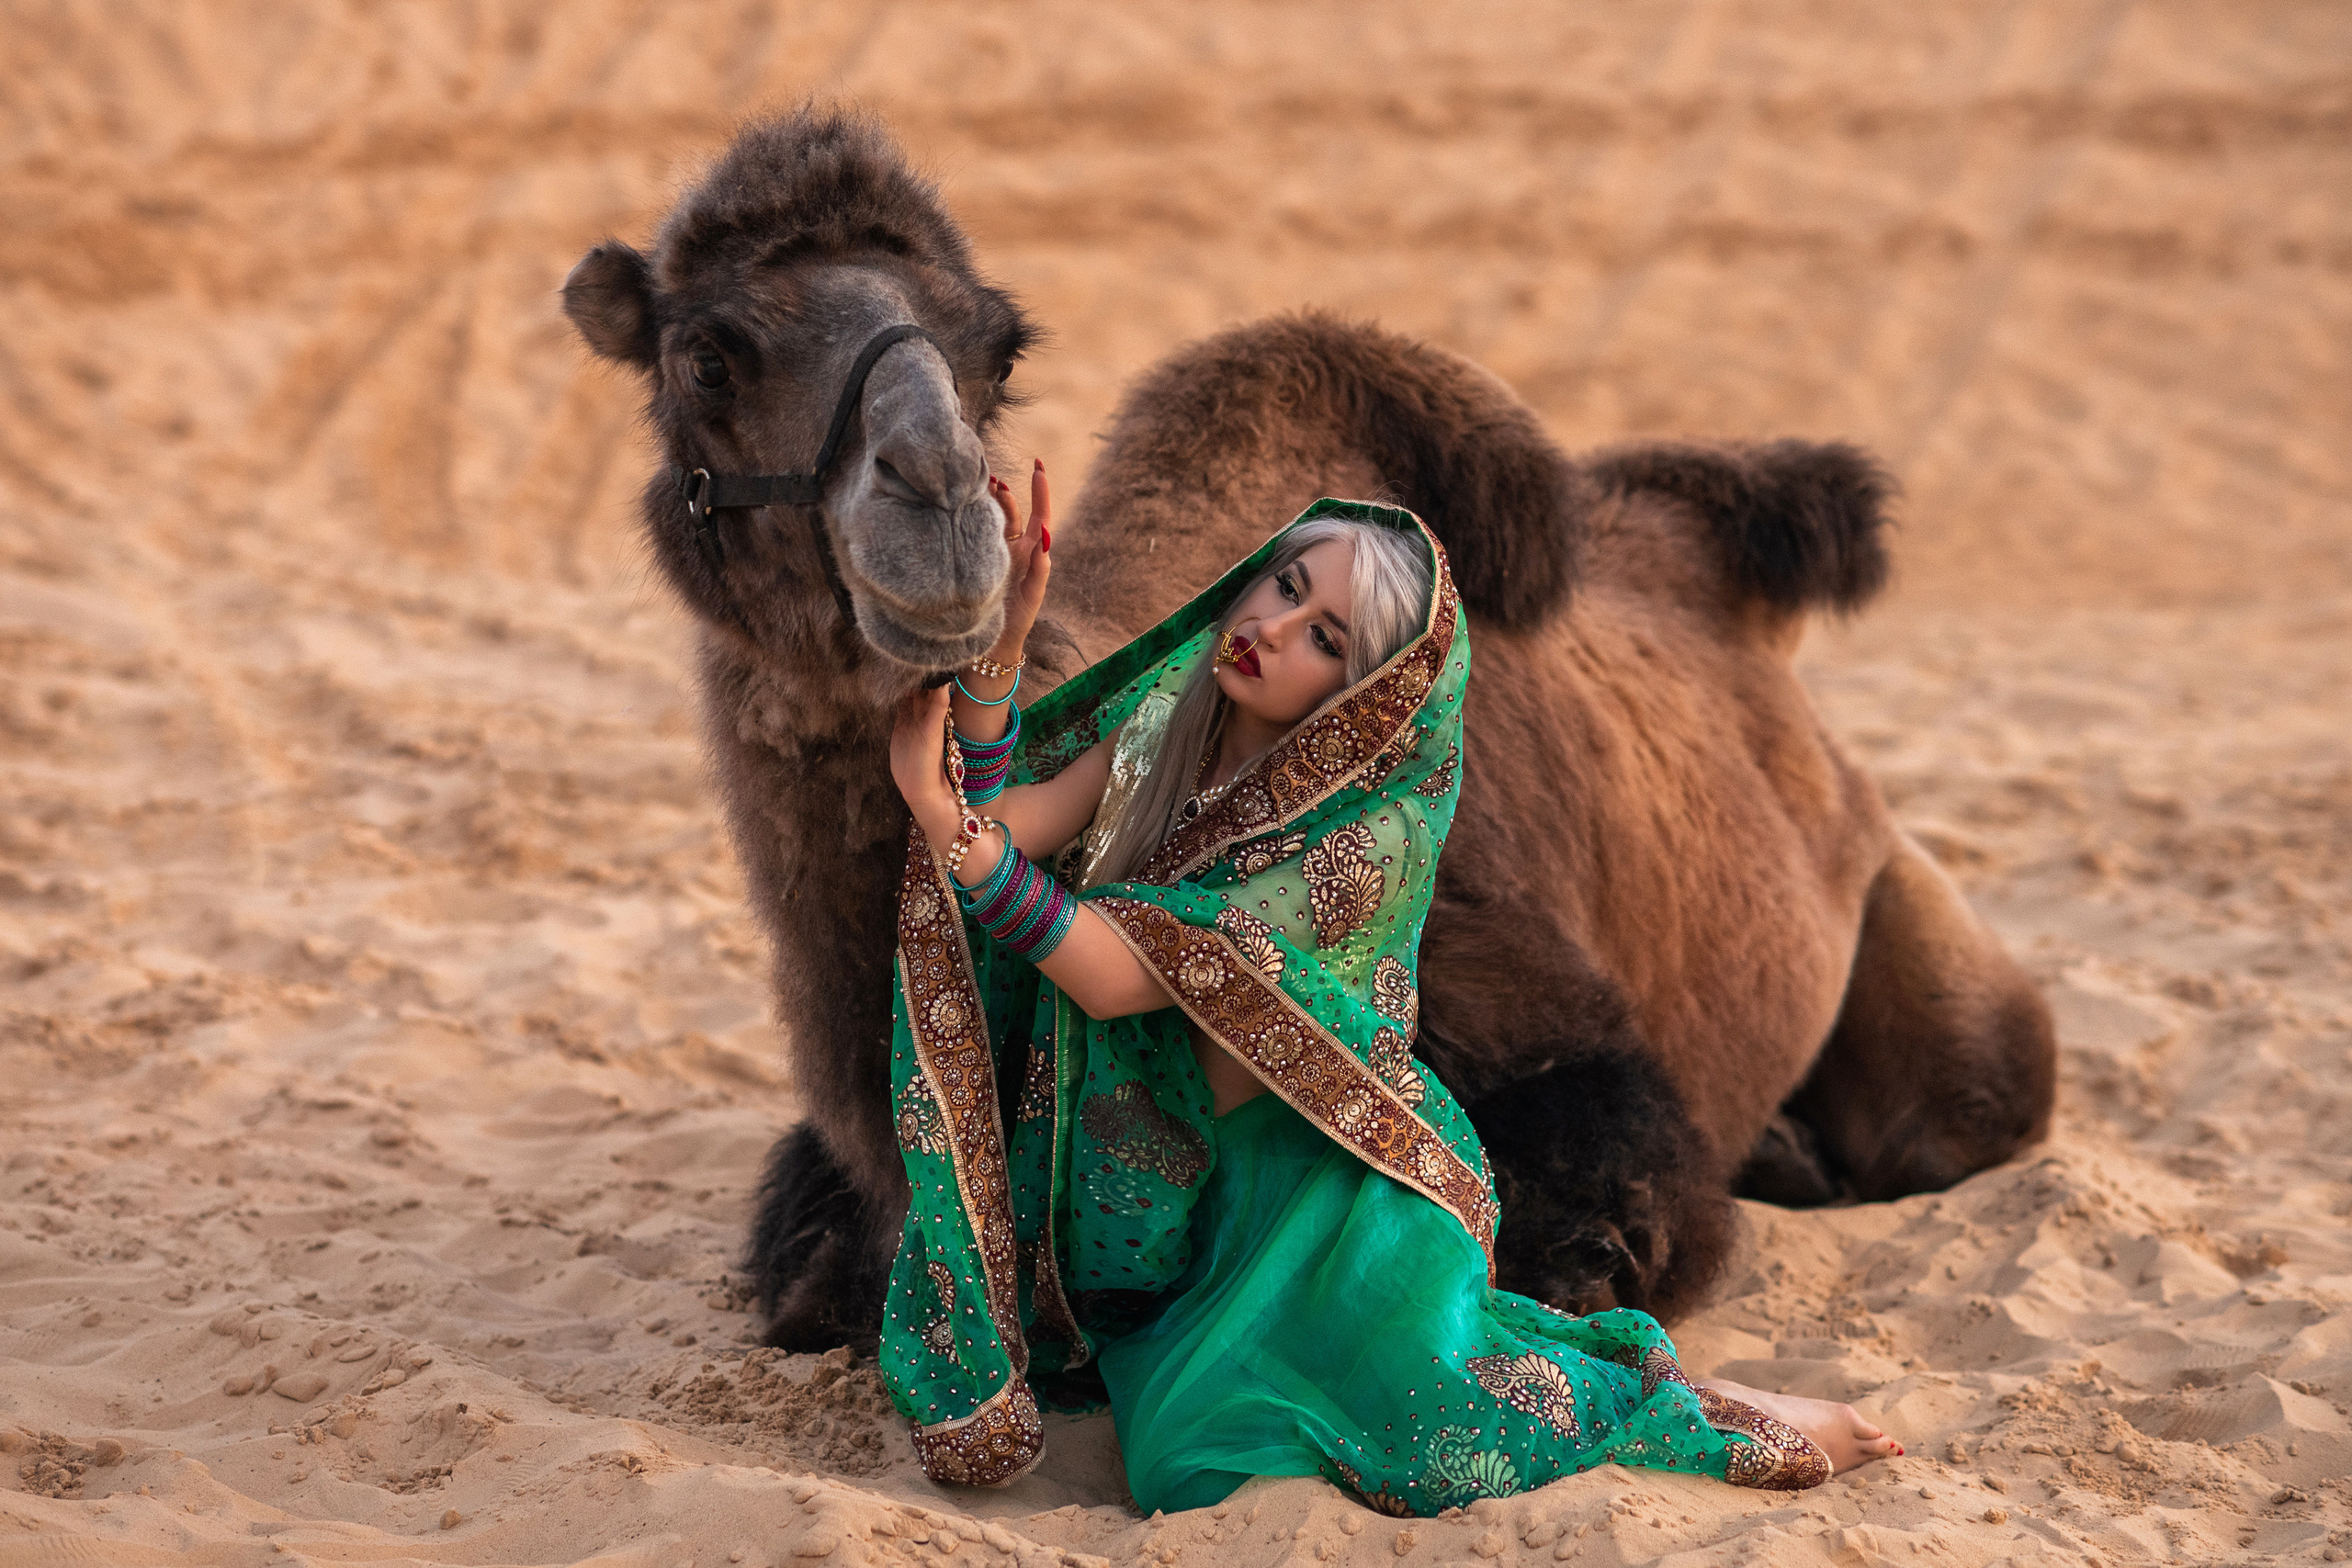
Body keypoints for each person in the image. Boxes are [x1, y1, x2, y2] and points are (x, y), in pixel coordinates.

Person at [878, 463, 1897, 1514]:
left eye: (1325, 637)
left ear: (1359, 695)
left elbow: (1107, 975)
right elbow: (1015, 831)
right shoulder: (1171, 719)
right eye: (1285, 587)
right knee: (1192, 1449)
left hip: (1326, 1216)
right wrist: (1001, 653)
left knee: (1267, 1456)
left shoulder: (1364, 843)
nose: (1273, 630)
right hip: (1206, 1203)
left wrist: (941, 813)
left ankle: (1724, 1413)